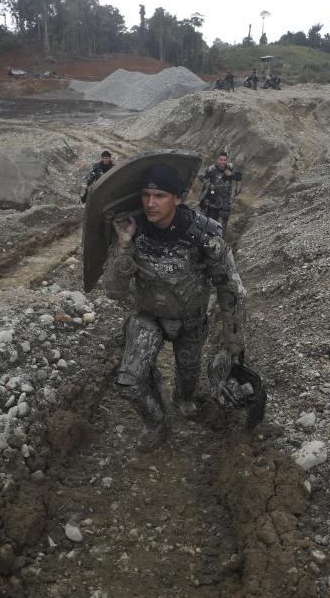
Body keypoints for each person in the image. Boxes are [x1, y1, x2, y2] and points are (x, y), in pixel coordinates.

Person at [102, 164, 246, 452]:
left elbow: (229, 288)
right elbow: (114, 290)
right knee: (128, 383)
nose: (150, 203)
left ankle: (183, 398)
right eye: (146, 195)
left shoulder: (203, 236)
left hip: (191, 321)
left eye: (159, 196)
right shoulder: (133, 230)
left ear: (177, 198)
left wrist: (233, 338)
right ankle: (156, 422)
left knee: (188, 380)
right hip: (149, 318)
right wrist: (125, 246)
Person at [197, 152, 242, 233]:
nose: (223, 162)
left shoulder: (230, 167)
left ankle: (221, 239)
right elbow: (201, 177)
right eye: (221, 160)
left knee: (224, 220)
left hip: (225, 200)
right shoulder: (212, 168)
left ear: (226, 160)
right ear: (218, 160)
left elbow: (239, 176)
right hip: (213, 200)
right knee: (211, 220)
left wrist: (231, 174)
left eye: (224, 160)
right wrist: (209, 185)